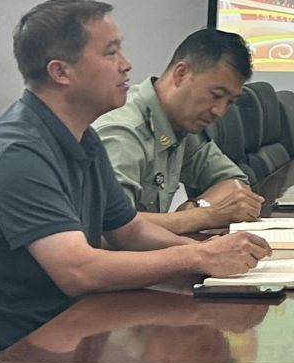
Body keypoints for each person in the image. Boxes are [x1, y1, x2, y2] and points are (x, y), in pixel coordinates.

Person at [0, 0, 272, 351]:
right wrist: (195, 257)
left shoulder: (83, 138)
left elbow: (130, 232)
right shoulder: (16, 153)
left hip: (55, 331)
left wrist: (209, 252)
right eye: (111, 53)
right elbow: (77, 271)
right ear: (61, 72)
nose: (126, 65)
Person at [94, 28, 263, 233]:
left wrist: (197, 206)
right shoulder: (124, 134)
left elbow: (235, 184)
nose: (219, 111)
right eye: (216, 95)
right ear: (181, 74)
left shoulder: (179, 122)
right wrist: (206, 216)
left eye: (230, 102)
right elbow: (109, 228)